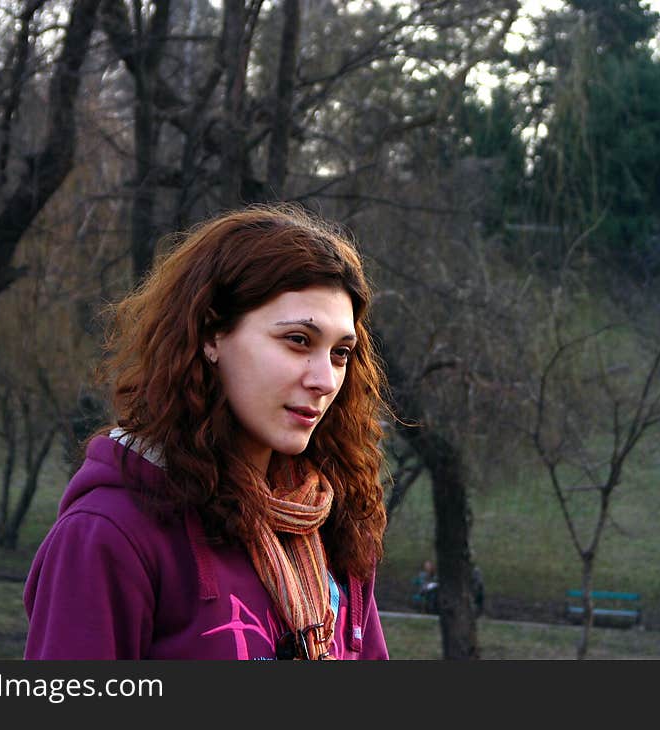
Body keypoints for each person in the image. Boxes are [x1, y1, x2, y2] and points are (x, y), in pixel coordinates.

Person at [23, 205, 391, 660]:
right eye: (298, 340)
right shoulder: (110, 533)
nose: (325, 379)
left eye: (340, 353)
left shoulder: (333, 522)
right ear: (211, 335)